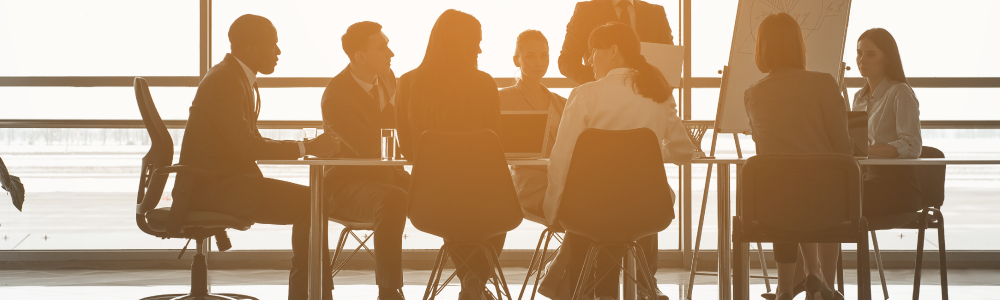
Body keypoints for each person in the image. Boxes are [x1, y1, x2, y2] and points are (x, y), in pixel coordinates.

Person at [174, 14, 341, 300]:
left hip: (219, 183)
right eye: (273, 44)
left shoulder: (235, 77)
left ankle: (314, 292)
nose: (278, 52)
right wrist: (307, 147)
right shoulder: (227, 81)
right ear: (251, 49)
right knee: (313, 203)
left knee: (314, 200)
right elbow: (248, 147)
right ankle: (310, 294)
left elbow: (249, 141)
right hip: (215, 188)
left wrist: (305, 146)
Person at [541, 22, 693, 300]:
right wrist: (654, 150)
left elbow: (562, 159)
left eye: (593, 52)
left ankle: (582, 292)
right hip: (645, 209)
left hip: (591, 209)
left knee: (587, 222)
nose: (589, 61)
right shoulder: (658, 94)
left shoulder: (586, 95)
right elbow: (684, 152)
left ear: (613, 51)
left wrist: (553, 211)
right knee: (612, 220)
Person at [393, 9, 503, 300]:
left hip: (429, 201)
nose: (480, 48)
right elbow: (495, 146)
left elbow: (406, 148)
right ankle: (475, 281)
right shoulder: (484, 84)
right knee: (499, 204)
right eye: (476, 41)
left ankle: (472, 282)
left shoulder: (406, 83)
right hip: (485, 199)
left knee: (455, 214)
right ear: (460, 42)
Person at [742, 13, 852, 300]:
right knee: (816, 190)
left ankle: (786, 287)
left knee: (787, 191)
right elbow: (843, 147)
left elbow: (765, 152)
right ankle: (819, 279)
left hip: (773, 205)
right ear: (799, 46)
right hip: (826, 202)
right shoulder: (825, 83)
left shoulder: (752, 94)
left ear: (761, 49)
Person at [320, 21, 408, 300]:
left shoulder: (387, 78)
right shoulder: (336, 95)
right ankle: (389, 291)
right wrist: (396, 104)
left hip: (388, 176)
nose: (391, 53)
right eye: (382, 47)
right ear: (360, 57)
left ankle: (472, 278)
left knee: (447, 188)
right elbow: (367, 147)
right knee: (393, 199)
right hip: (347, 184)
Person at [853, 28, 923, 215]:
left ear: (888, 58)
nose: (862, 59)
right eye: (859, 53)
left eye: (871, 54)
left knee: (830, 201)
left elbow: (912, 145)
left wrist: (861, 150)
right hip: (866, 180)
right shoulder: (858, 98)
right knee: (819, 195)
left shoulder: (900, 92)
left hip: (896, 187)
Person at [499, 29, 567, 218]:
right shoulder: (502, 99)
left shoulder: (562, 102)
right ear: (516, 60)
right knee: (582, 208)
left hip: (565, 182)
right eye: (530, 56)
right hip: (530, 185)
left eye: (544, 56)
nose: (539, 63)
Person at [559, 0, 674, 85]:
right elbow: (566, 62)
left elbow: (671, 64)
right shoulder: (586, 11)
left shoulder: (656, 13)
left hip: (646, 99)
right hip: (602, 100)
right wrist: (602, 81)